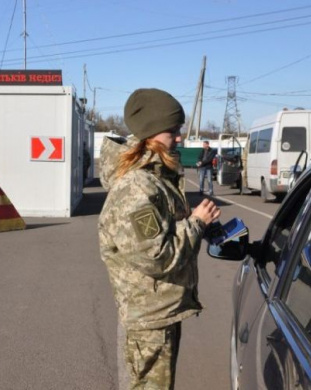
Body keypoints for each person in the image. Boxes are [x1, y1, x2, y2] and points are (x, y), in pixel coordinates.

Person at [98, 88, 221, 389]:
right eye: (173, 131)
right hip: (150, 320)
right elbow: (158, 256)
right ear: (151, 134)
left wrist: (195, 224)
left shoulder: (154, 179)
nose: (179, 138)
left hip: (158, 312)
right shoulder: (137, 188)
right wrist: (196, 223)